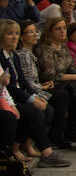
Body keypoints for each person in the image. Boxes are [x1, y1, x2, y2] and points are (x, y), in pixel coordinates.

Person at [0, 20, 70, 168]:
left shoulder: (13, 55)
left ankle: (20, 146)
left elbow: (23, 82)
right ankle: (45, 153)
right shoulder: (3, 57)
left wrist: (34, 96)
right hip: (9, 98)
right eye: (9, 34)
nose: (14, 37)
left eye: (16, 34)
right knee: (34, 111)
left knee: (45, 108)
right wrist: (30, 99)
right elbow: (10, 87)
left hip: (14, 95)